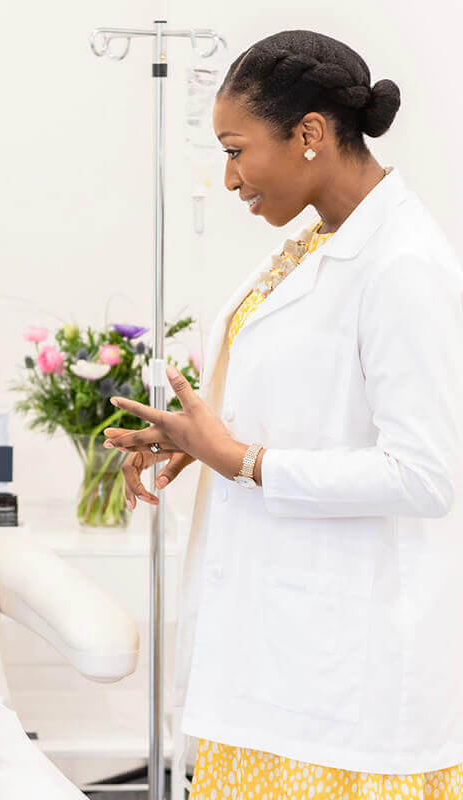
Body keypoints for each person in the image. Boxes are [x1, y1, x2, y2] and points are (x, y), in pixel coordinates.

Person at [104, 29, 463, 800]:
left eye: (236, 150)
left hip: (346, 681)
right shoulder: (315, 245)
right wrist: (196, 443)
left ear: (309, 134)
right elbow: (307, 409)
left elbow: (426, 475)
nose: (229, 178)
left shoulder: (402, 263)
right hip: (273, 656)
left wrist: (242, 461)